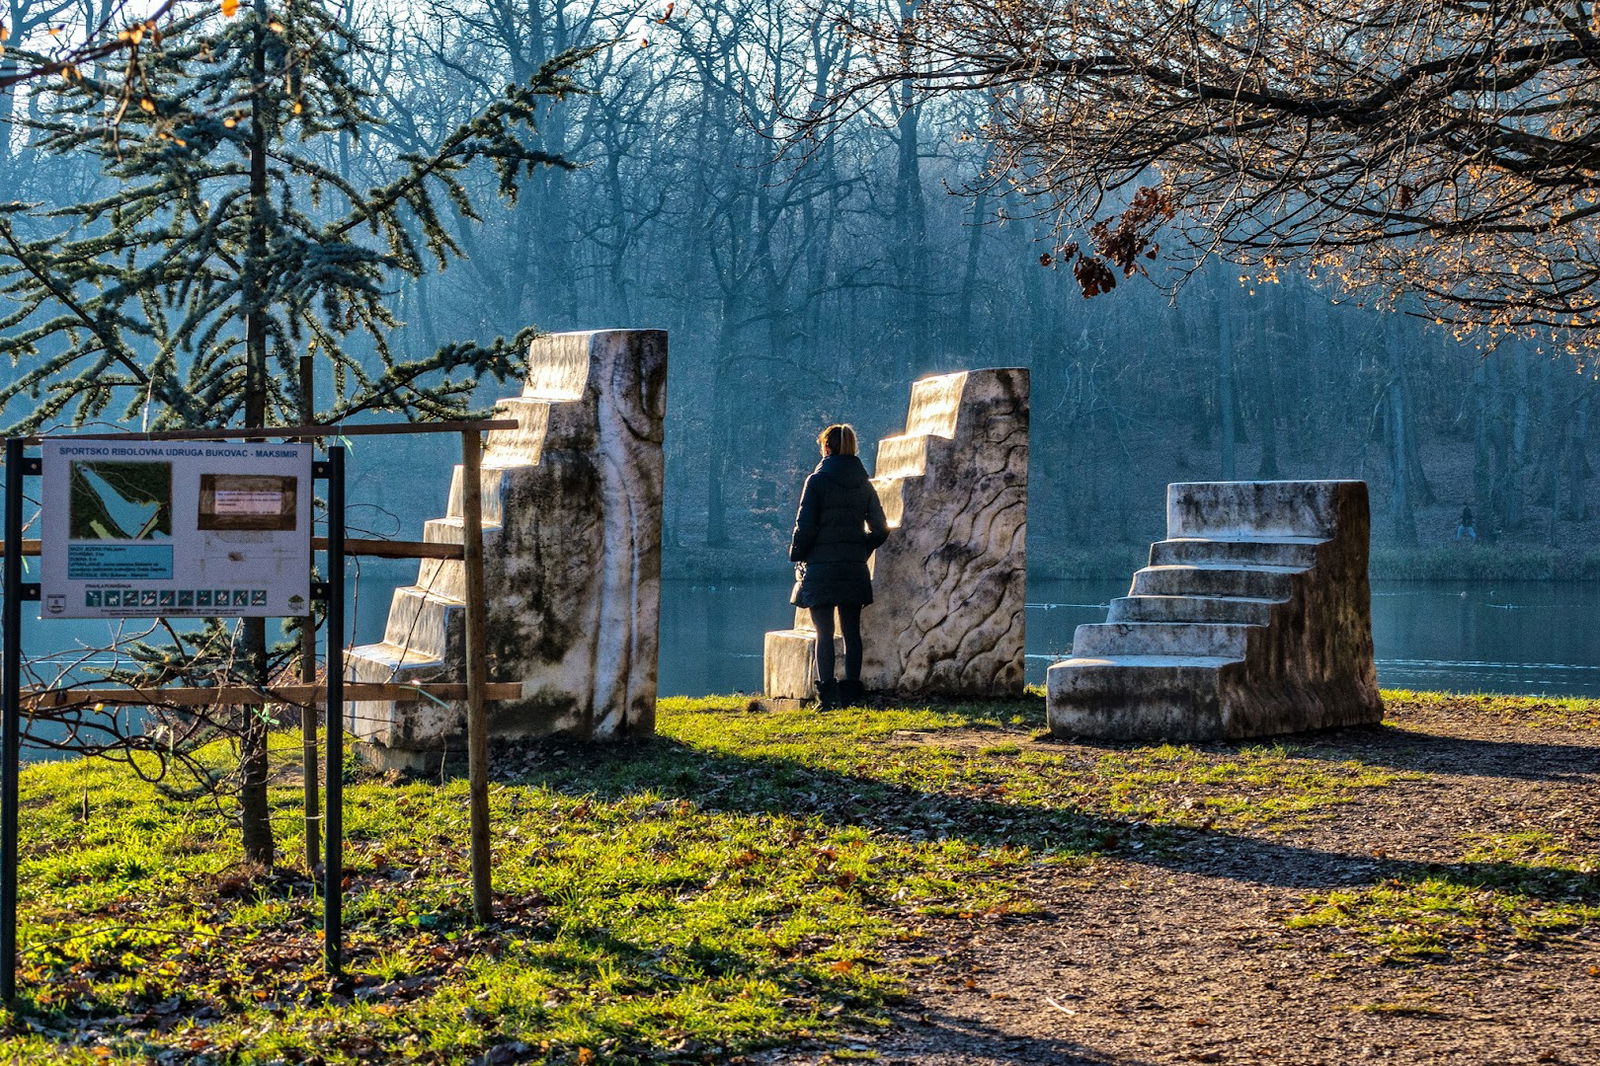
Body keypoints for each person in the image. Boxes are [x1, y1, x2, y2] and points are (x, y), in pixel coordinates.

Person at [788, 423, 890, 710]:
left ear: (827, 448)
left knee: (824, 633)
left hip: (820, 568)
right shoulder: (864, 484)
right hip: (853, 569)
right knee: (851, 632)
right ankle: (852, 694)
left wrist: (797, 553)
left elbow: (804, 527)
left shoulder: (816, 481)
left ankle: (827, 696)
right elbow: (881, 529)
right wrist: (862, 547)